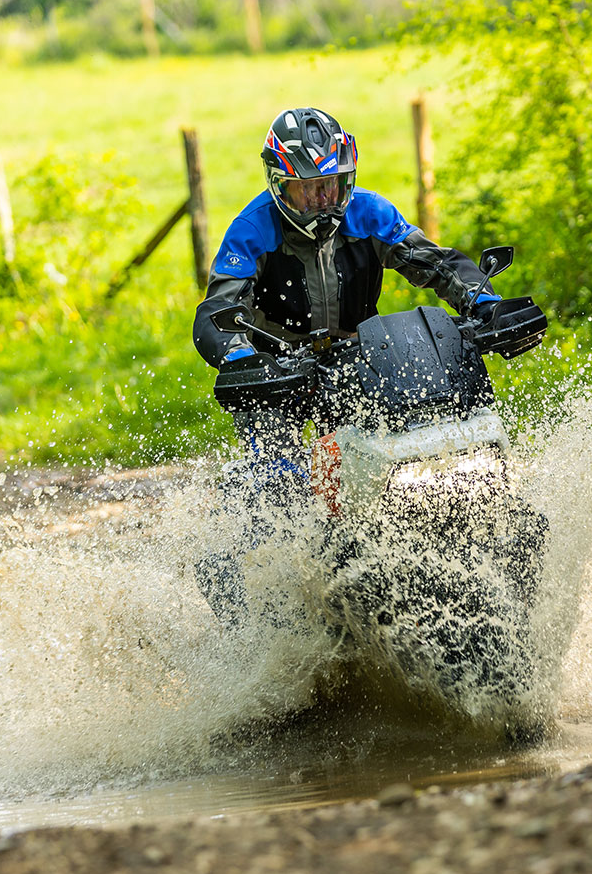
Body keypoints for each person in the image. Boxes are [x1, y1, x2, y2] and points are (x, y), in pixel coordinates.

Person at [191, 106, 502, 624]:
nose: (323, 199)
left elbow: (437, 263)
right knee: (279, 481)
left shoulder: (369, 212)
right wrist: (243, 357)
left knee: (415, 449)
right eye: (309, 188)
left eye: (332, 185)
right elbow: (218, 312)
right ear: (280, 186)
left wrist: (483, 302)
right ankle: (256, 606)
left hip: (363, 359)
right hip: (279, 375)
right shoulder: (251, 230)